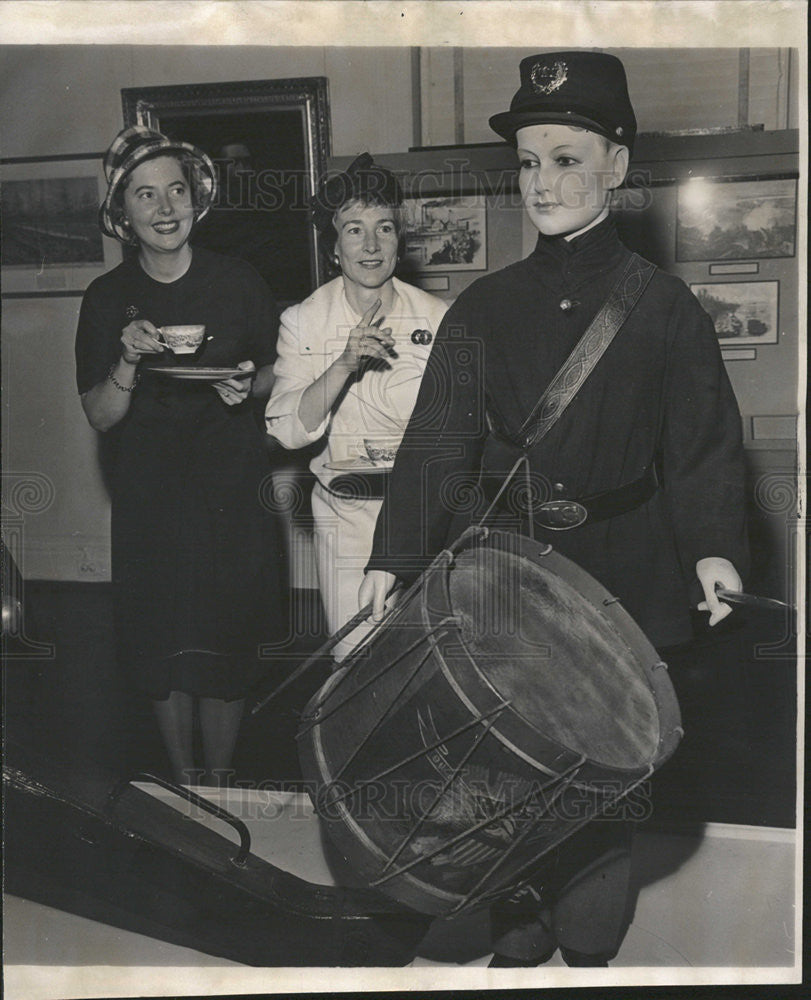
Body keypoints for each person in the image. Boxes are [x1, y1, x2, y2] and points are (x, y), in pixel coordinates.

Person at [361, 52, 749, 965]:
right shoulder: (481, 309)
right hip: (509, 568)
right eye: (529, 161)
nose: (542, 181)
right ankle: (518, 920)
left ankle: (588, 923)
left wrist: (714, 553)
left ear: (617, 166)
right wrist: (394, 558)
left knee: (604, 760)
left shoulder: (665, 310)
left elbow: (701, 449)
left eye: (566, 158)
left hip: (625, 566)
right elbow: (437, 444)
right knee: (508, 756)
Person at [75, 125, 284, 785]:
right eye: (145, 195)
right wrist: (129, 358)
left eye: (175, 191)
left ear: (195, 198)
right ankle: (184, 782)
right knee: (160, 644)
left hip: (230, 491)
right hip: (149, 496)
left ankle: (217, 786)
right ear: (123, 213)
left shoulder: (239, 280)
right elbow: (101, 414)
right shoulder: (105, 300)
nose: (165, 208)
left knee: (225, 643)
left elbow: (279, 371)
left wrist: (245, 381)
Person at [265, 154, 447, 660]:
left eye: (383, 228)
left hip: (424, 513)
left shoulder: (438, 318)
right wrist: (344, 363)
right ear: (334, 247)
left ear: (399, 240)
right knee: (357, 662)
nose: (370, 245)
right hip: (345, 516)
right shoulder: (304, 321)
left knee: (428, 660)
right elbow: (286, 429)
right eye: (354, 230)